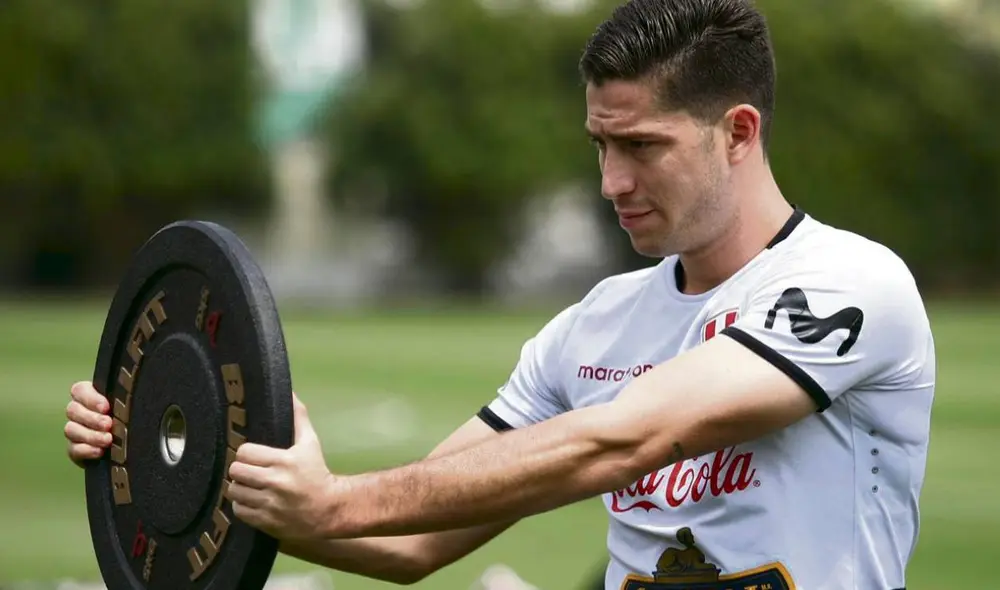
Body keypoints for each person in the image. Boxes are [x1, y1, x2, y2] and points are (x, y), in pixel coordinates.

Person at [63, 0, 936, 588]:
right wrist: (189, 467)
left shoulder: (848, 285)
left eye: (641, 146)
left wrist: (336, 501)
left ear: (738, 132)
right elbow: (411, 542)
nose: (611, 181)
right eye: (600, 145)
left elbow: (628, 437)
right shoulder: (592, 327)